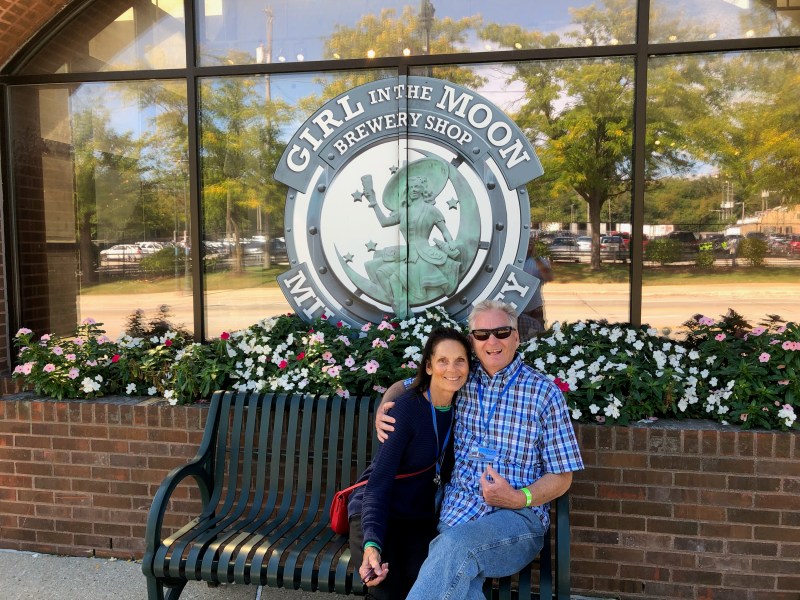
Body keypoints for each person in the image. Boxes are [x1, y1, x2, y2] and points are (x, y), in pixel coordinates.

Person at [376, 300, 583, 599]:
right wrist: (385, 407)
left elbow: (563, 477)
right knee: (460, 576)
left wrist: (518, 497)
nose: (492, 341)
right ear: (472, 341)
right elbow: (408, 384)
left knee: (454, 548)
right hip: (457, 513)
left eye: (502, 332)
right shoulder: (459, 377)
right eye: (482, 334)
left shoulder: (544, 393)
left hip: (516, 520)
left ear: (516, 337)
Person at [347, 327, 472, 600]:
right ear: (428, 366)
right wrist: (372, 544)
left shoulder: (466, 408)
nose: (452, 369)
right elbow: (378, 485)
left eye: (460, 360)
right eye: (442, 361)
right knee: (384, 586)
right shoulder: (406, 410)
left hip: (417, 518)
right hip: (379, 510)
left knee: (426, 587)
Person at [518, 237, 553, 340]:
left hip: (534, 309)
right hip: (516, 309)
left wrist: (536, 257)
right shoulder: (512, 259)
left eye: (531, 243)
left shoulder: (539, 261)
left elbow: (549, 277)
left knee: (539, 338)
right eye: (526, 242)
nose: (529, 245)